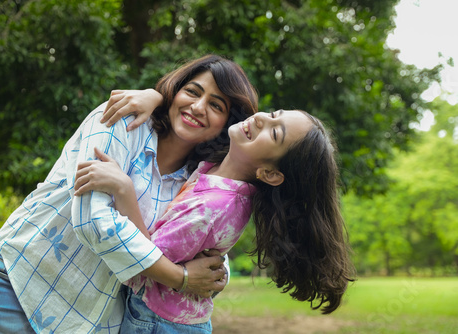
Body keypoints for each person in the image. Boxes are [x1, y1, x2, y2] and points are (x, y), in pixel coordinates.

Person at [0, 54, 259, 333]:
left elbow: (207, 250)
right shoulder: (122, 119)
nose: (197, 107)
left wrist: (214, 276)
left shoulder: (200, 181)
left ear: (228, 123)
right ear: (174, 92)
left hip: (94, 320)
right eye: (192, 92)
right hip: (22, 284)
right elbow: (93, 221)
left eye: (216, 105)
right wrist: (179, 277)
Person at [74, 109, 354, 332]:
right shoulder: (219, 176)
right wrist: (153, 96)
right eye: (273, 115)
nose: (260, 119)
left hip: (158, 323)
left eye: (274, 132)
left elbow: (142, 261)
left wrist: (123, 189)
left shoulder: (213, 207)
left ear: (269, 173)